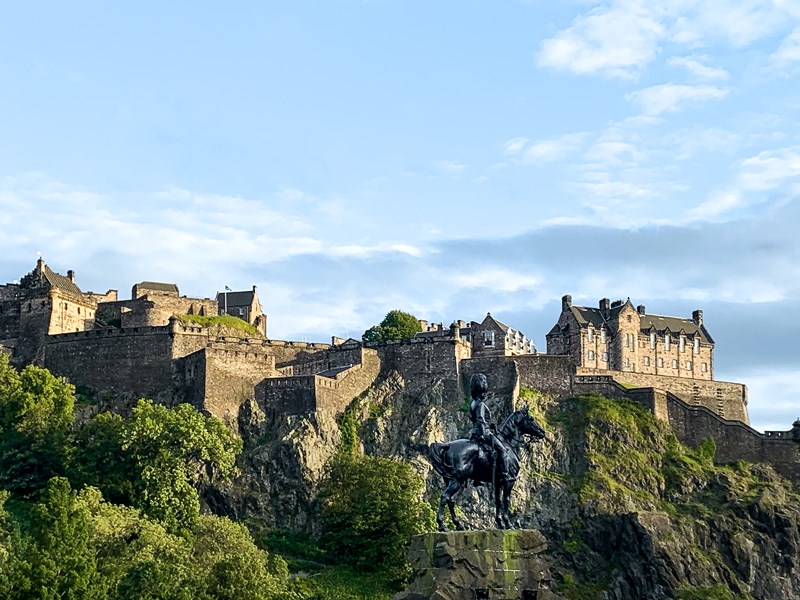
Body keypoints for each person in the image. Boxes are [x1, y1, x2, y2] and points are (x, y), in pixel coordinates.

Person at [468, 373, 510, 485]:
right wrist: (484, 433)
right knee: (503, 450)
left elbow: (475, 419)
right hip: (483, 432)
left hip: (473, 432)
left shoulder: (472, 403)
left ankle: (477, 478)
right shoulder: (481, 404)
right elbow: (481, 420)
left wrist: (491, 425)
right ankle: (505, 475)